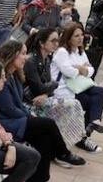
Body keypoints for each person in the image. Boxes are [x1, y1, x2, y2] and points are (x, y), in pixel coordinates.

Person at [0, 40, 78, 182]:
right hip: (5, 122)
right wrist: (29, 117)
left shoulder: (16, 75)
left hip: (18, 119)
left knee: (44, 137)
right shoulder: (2, 77)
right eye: (23, 54)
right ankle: (62, 153)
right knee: (48, 124)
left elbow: (18, 104)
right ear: (12, 55)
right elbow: (8, 109)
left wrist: (27, 115)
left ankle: (37, 178)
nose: (26, 58)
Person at [23, 28, 87, 162]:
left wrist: (49, 89)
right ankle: (62, 151)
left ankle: (63, 146)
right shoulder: (31, 60)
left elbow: (48, 88)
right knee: (70, 105)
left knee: (72, 105)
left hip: (43, 99)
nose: (56, 44)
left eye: (57, 40)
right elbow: (39, 88)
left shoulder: (46, 58)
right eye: (53, 41)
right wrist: (52, 86)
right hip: (29, 102)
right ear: (42, 43)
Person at [52, 22, 103, 152]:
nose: (80, 38)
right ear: (68, 37)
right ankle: (83, 136)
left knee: (100, 91)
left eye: (82, 35)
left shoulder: (80, 51)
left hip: (78, 86)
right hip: (65, 89)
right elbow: (69, 71)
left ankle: (94, 122)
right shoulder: (62, 52)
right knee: (90, 102)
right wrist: (81, 69)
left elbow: (91, 70)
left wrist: (80, 69)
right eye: (76, 36)